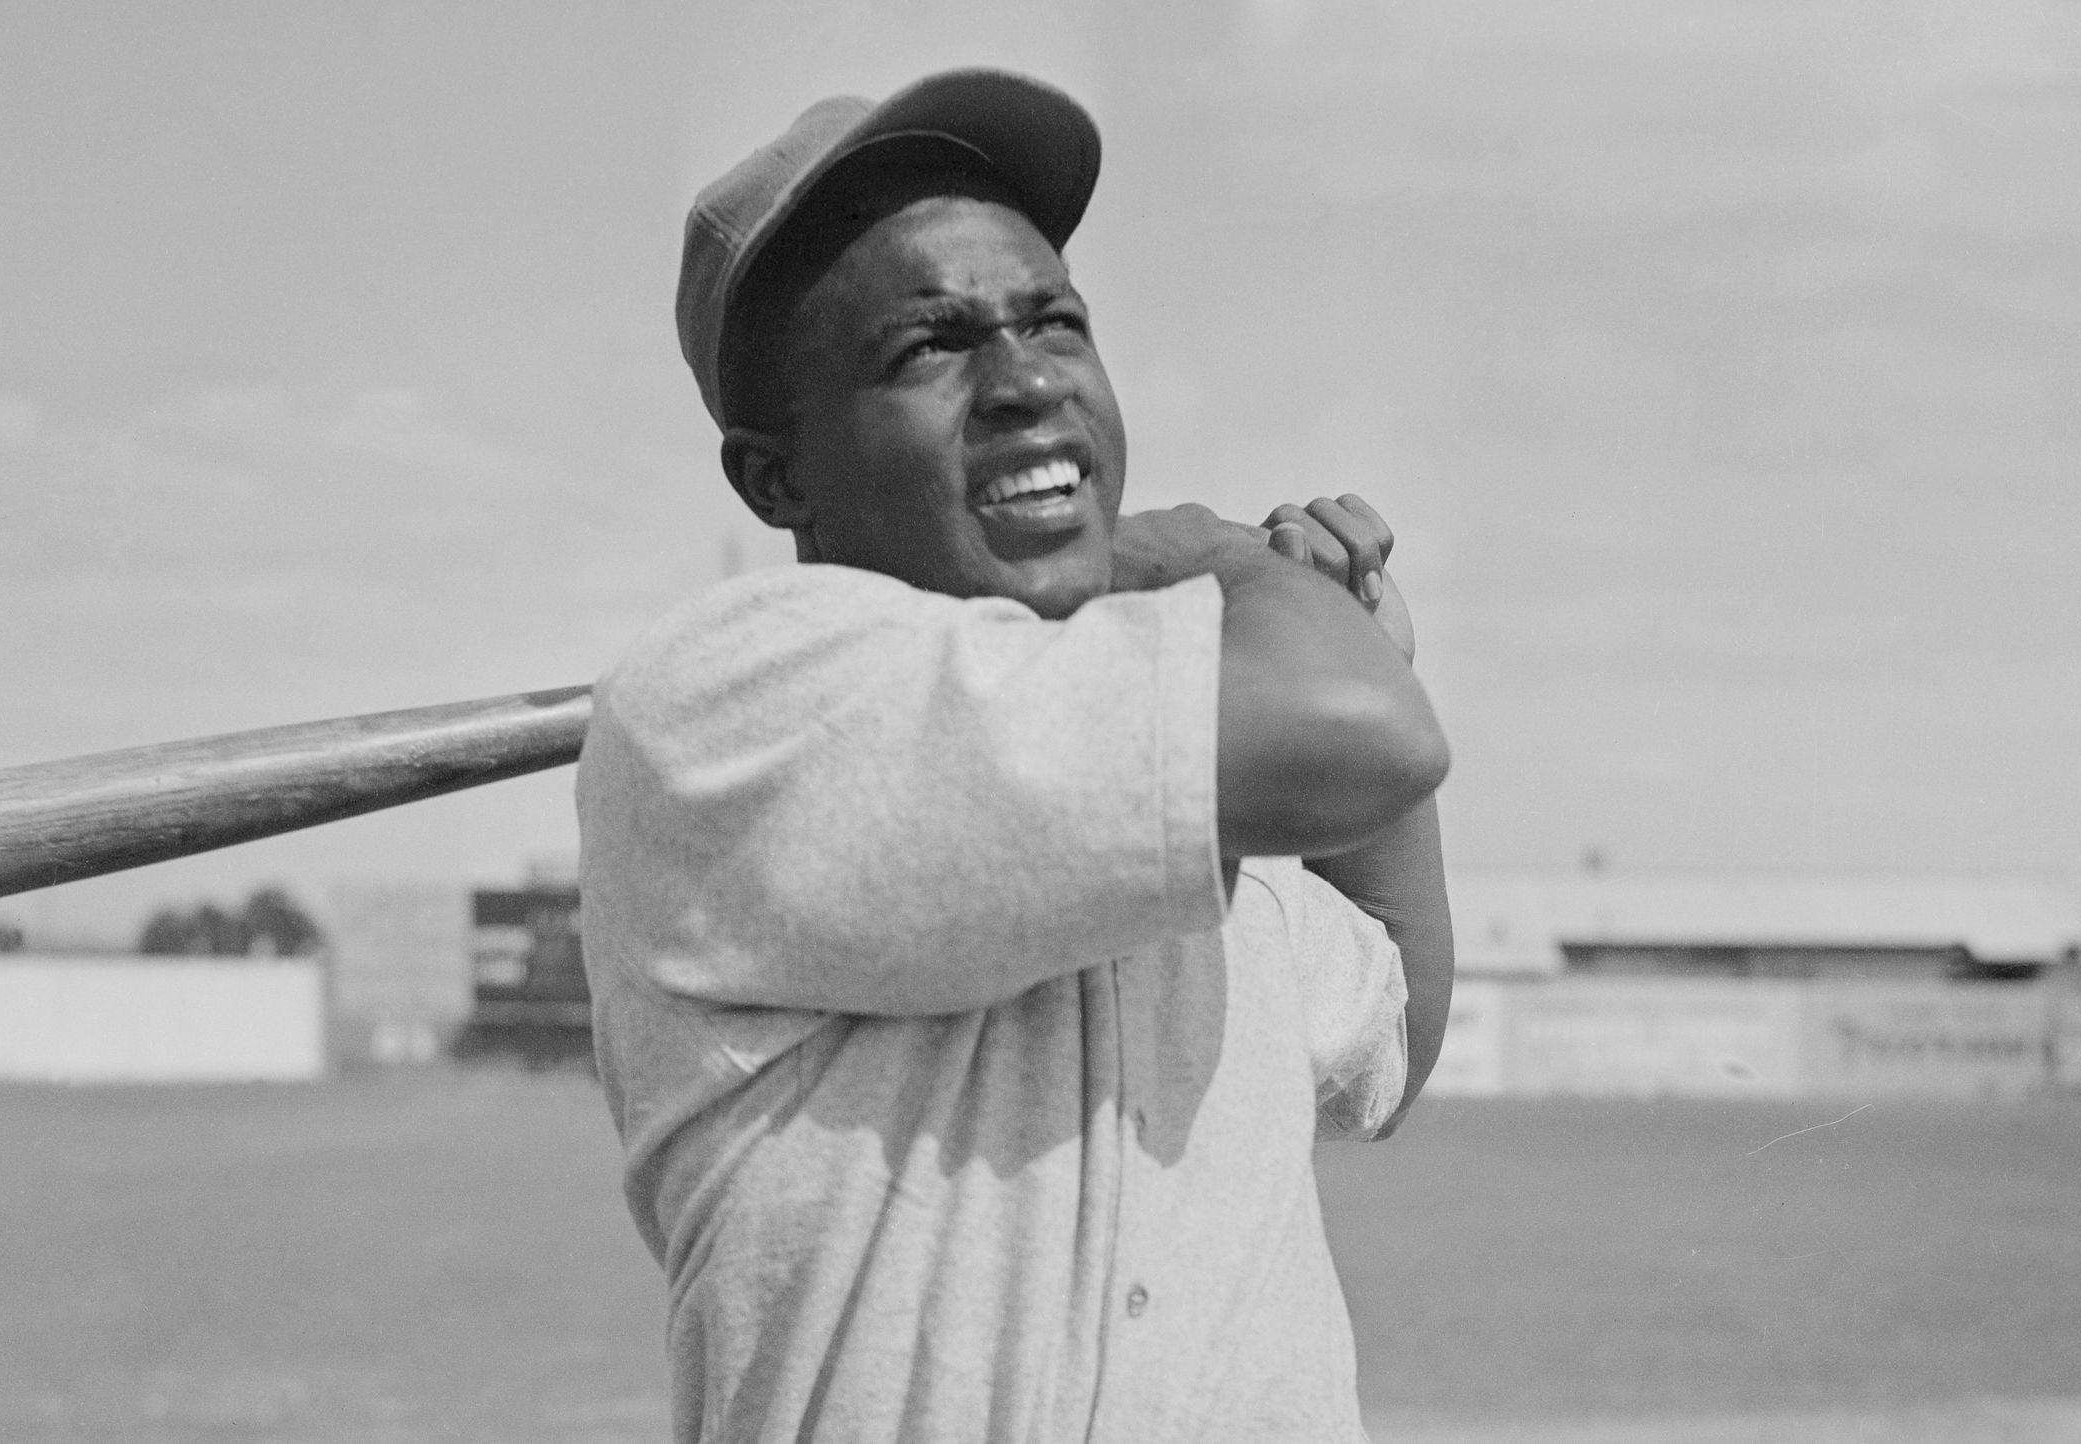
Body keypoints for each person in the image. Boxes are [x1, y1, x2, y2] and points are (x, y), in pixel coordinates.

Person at [577, 68, 1455, 1443]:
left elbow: (1388, 1036)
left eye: (1055, 322)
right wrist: (1225, 562)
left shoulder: (1153, 736)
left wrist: (1338, 644)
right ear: (774, 479)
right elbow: (1360, 738)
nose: (1025, 380)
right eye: (927, 347)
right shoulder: (740, 698)